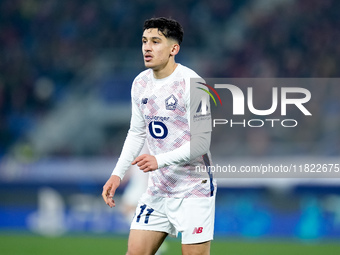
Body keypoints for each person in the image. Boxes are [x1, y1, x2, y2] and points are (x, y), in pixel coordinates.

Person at [102, 17, 216, 255]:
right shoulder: (140, 84)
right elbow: (136, 132)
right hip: (158, 188)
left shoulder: (194, 85)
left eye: (156, 41)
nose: (147, 47)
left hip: (193, 187)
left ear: (174, 49)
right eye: (144, 41)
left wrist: (158, 160)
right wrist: (117, 174)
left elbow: (202, 142)